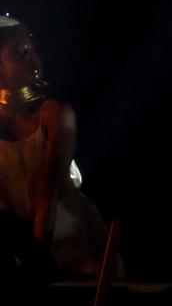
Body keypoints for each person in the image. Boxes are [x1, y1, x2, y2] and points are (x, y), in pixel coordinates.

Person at [0, 14, 107, 277]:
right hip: (19, 246)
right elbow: (3, 207)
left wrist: (37, 262)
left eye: (30, 49)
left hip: (66, 240)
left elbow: (48, 191)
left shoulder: (55, 114)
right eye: (18, 51)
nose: (30, 56)